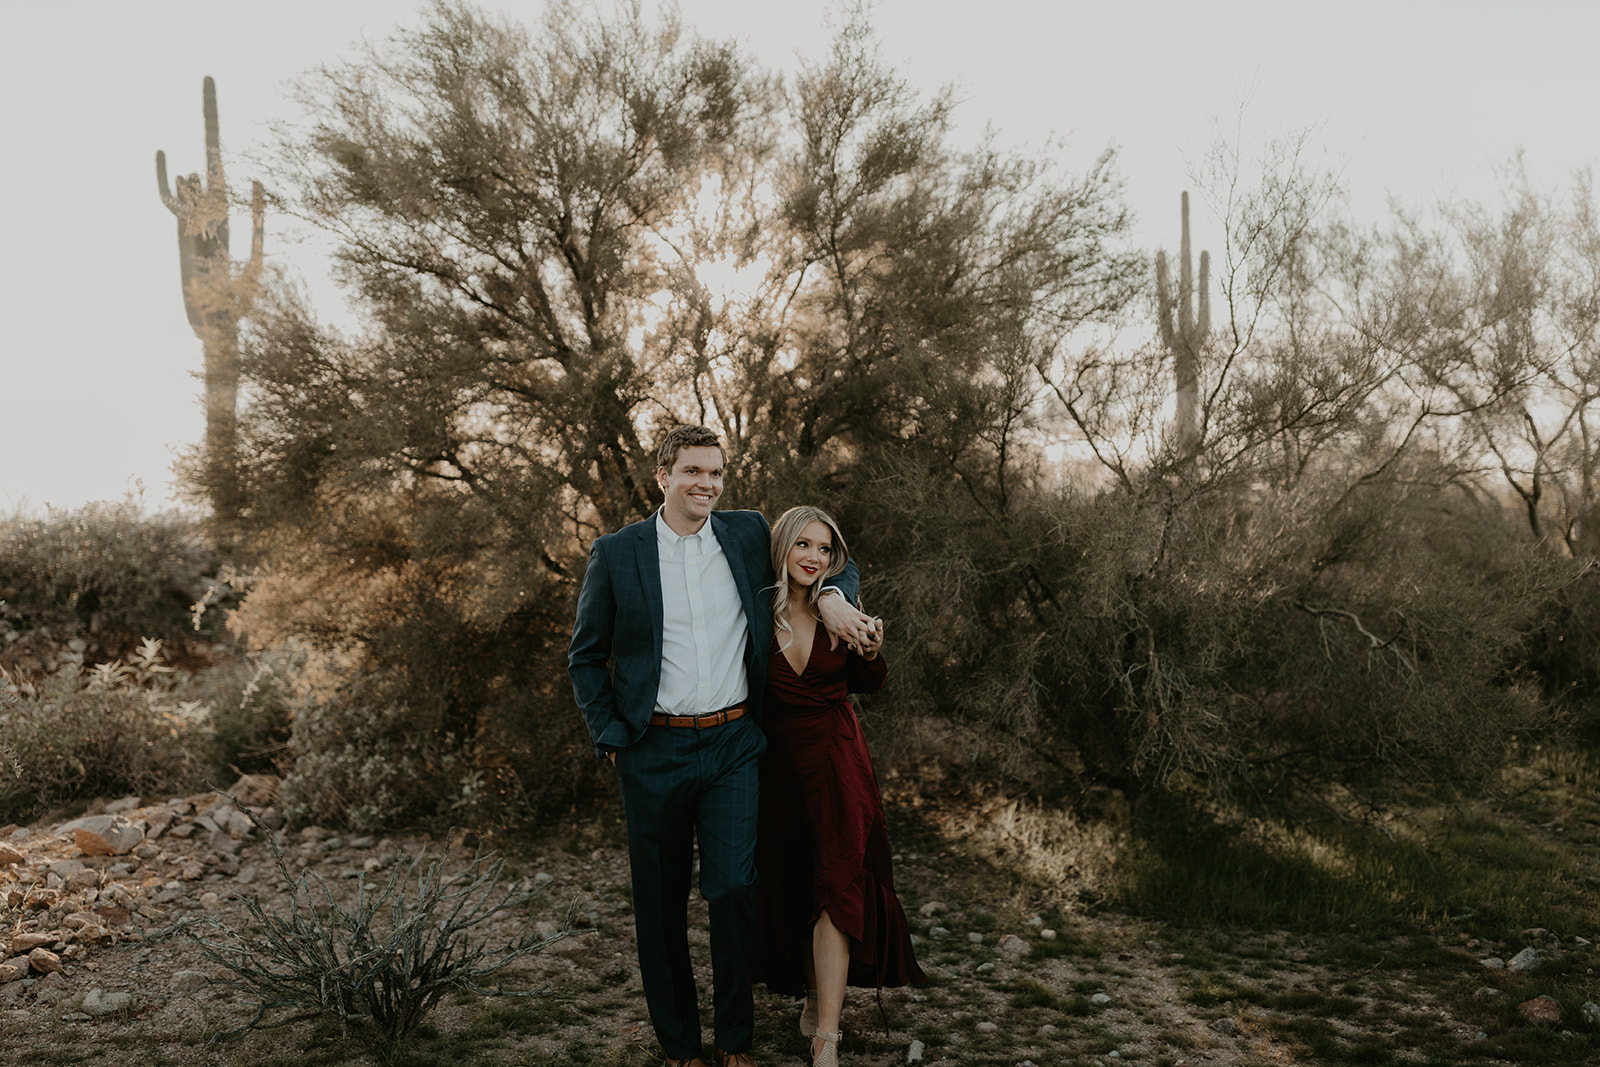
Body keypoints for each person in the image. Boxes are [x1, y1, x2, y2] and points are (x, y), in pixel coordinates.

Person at [568, 427, 880, 1067]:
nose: (705, 483)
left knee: (735, 889)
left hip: (736, 743)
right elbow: (585, 657)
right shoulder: (617, 552)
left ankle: (735, 1040)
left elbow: (823, 559)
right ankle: (681, 1045)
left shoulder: (744, 534)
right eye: (691, 471)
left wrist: (830, 598)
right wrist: (612, 739)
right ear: (663, 476)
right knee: (659, 904)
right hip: (652, 748)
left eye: (714, 472)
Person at [753, 506, 925, 1067]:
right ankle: (811, 993)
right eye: (803, 545)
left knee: (836, 885)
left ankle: (828, 1036)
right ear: (781, 548)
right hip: (775, 769)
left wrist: (870, 650)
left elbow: (869, 681)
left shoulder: (840, 610)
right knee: (797, 884)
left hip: (837, 760)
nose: (813, 558)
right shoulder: (754, 613)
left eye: (824, 549)